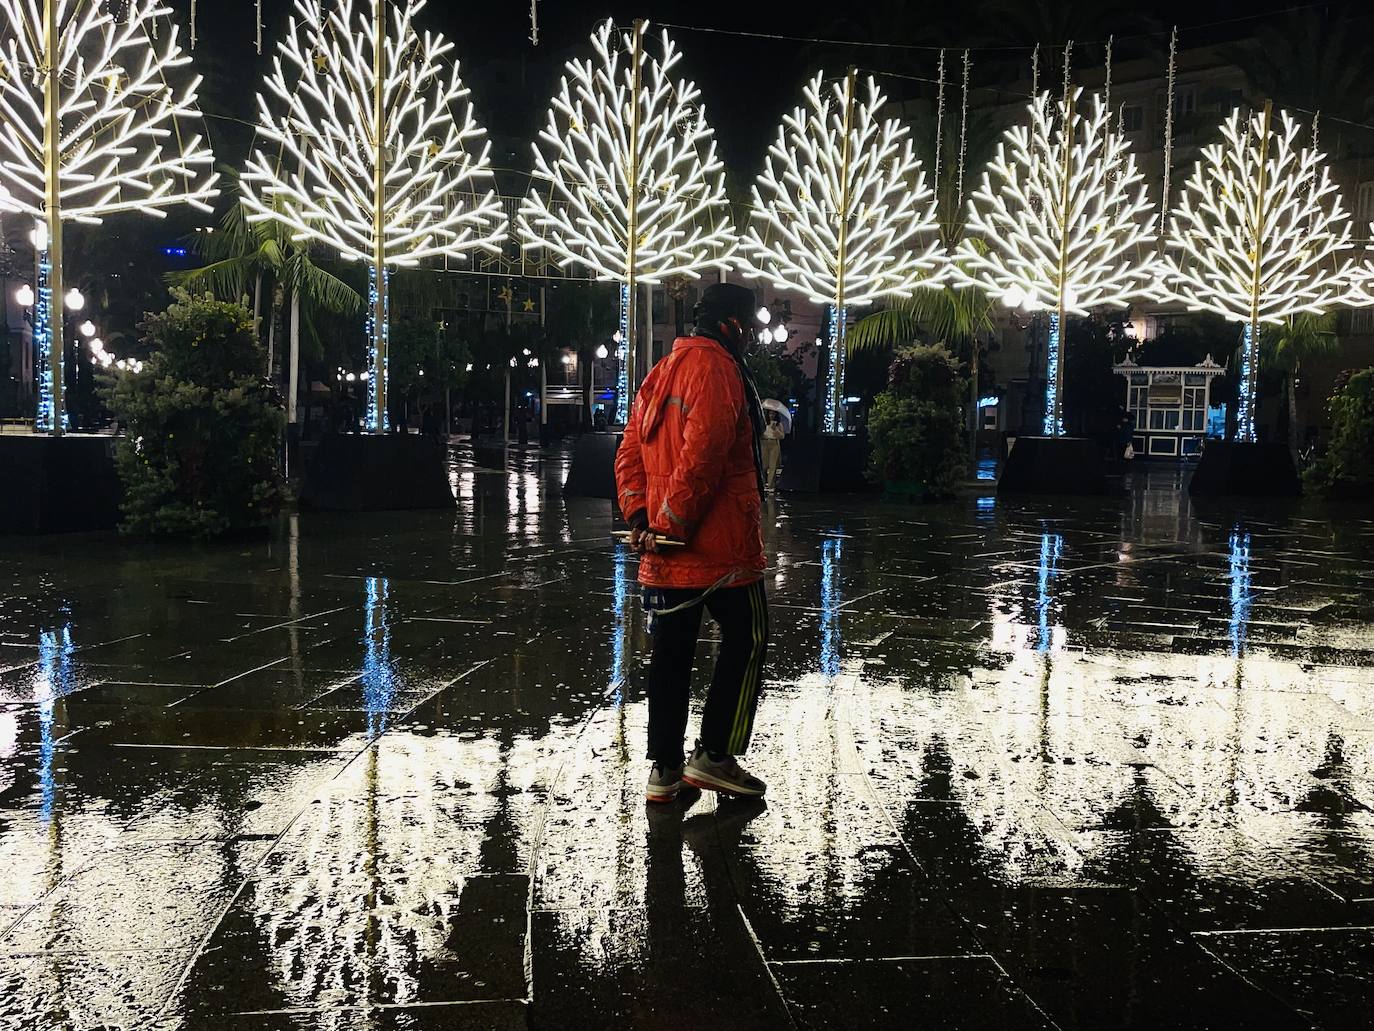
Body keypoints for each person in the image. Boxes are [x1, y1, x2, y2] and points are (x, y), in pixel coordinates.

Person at [615, 282, 769, 804]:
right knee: (747, 638)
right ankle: (716, 755)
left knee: (671, 654)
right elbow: (702, 457)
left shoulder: (661, 371)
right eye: (748, 327)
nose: (750, 338)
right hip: (719, 546)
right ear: (732, 326)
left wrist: (641, 517)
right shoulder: (720, 369)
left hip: (663, 549)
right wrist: (673, 524)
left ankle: (664, 771)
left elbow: (629, 451)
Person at [762, 409, 785, 491]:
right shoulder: (764, 423)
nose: (771, 415)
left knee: (773, 465)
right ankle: (763, 483)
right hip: (765, 443)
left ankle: (771, 485)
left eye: (773, 414)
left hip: (774, 443)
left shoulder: (778, 424)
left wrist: (775, 429)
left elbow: (782, 436)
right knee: (763, 465)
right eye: (770, 413)